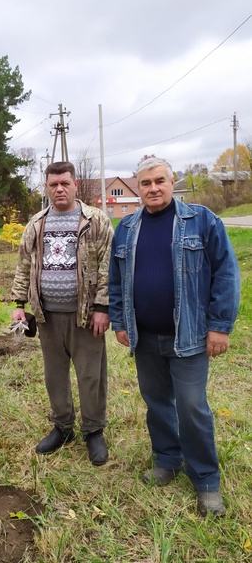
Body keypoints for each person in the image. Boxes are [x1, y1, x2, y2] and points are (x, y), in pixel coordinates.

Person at [109, 157, 241, 516]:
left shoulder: (201, 221)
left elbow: (227, 274)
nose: (153, 188)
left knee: (192, 407)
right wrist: (120, 321)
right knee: (157, 403)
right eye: (146, 183)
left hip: (190, 337)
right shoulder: (126, 227)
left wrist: (219, 326)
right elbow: (116, 280)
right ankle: (167, 459)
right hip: (145, 336)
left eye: (160, 181)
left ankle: (206, 480)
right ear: (139, 188)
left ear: (172, 181)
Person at [11, 161, 113, 465]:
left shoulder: (95, 221)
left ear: (75, 184)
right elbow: (24, 265)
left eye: (64, 183)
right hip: (47, 317)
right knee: (54, 376)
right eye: (53, 184)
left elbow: (109, 267)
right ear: (46, 187)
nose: (59, 189)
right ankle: (63, 426)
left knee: (90, 376)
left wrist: (102, 307)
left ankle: (93, 431)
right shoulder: (36, 223)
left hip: (85, 316)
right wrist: (18, 304)